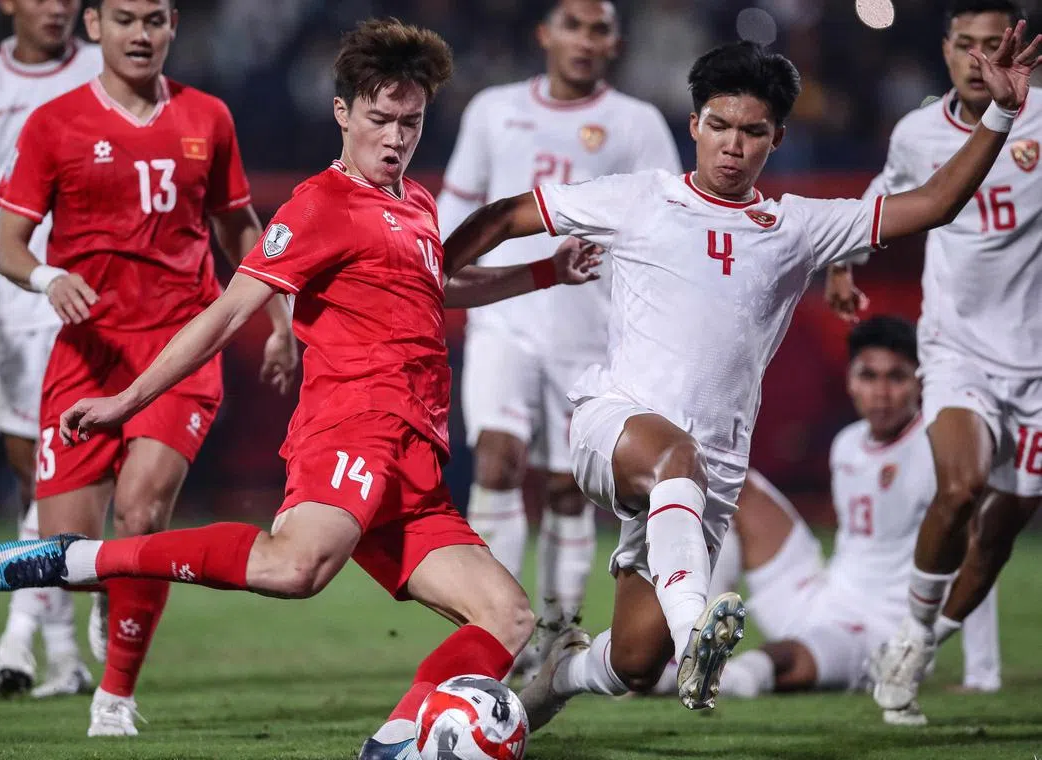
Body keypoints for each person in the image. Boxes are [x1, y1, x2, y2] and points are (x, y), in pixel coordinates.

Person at [0, 18, 603, 759]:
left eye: (411, 121)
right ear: (342, 113)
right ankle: (80, 559)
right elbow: (223, 312)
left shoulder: (418, 206)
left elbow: (438, 288)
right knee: (295, 568)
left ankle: (395, 745)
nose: (395, 138)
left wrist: (546, 271)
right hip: (352, 428)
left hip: (416, 463)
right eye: (379, 119)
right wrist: (125, 402)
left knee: (507, 617)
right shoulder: (319, 206)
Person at [432, 28, 1040, 734]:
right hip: (615, 425)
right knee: (672, 462)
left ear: (776, 138)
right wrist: (433, 272)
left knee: (633, 662)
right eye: (718, 125)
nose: (732, 144)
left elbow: (934, 204)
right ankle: (699, 636)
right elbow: (510, 214)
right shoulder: (638, 198)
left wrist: (998, 115)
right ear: (693, 125)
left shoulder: (798, 227)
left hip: (707, 480)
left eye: (752, 132)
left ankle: (556, 678)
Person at [0, 0, 298, 736]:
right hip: (88, 353)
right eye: (125, 18)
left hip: (180, 348)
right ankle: (107, 581)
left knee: (145, 512)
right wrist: (45, 279)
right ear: (93, 26)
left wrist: (279, 321)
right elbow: (8, 244)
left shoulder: (208, 117)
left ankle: (115, 699)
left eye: (155, 19)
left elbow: (238, 226)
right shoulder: (54, 124)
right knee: (63, 552)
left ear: (173, 26)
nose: (140, 33)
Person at [437, 0, 681, 681]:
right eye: (572, 24)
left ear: (615, 42)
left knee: (570, 489)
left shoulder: (637, 124)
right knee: (497, 462)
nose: (584, 38)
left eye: (598, 28)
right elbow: (459, 214)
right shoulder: (493, 110)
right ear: (545, 34)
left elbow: (666, 226)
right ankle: (492, 627)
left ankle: (557, 632)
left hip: (592, 331)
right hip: (506, 321)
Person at [823, 1, 1041, 719]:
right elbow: (885, 196)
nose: (981, 59)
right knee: (959, 488)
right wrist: (845, 261)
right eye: (967, 45)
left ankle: (922, 639)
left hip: (1036, 361)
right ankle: (913, 639)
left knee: (1001, 531)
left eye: (994, 44)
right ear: (947, 51)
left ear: (1017, 47)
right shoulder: (919, 132)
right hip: (956, 347)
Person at [698, 317, 1001, 724]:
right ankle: (689, 643)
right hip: (823, 596)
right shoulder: (847, 445)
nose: (882, 392)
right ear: (851, 381)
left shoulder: (937, 449)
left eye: (896, 377)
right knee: (728, 483)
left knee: (782, 657)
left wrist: (981, 673)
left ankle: (712, 677)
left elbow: (978, 553)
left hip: (881, 631)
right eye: (869, 376)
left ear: (920, 382)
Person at [0, 0, 101, 698]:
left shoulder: (102, 70)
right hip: (14, 293)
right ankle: (62, 651)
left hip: (88, 292)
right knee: (33, 477)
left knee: (66, 472)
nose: (56, 7)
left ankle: (21, 638)